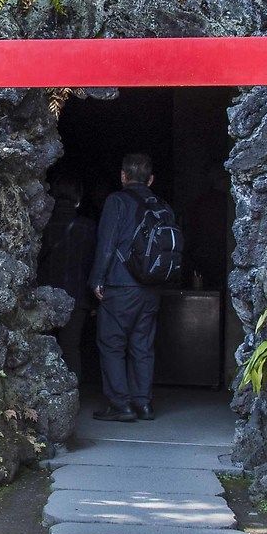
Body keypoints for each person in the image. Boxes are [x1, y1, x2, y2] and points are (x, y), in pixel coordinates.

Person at [89, 151, 163, 422]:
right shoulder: (162, 206)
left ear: (123, 176)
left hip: (120, 285)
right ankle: (143, 403)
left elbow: (106, 243)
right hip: (151, 287)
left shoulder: (116, 201)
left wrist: (97, 279)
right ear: (151, 179)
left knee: (111, 344)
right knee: (142, 346)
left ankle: (121, 404)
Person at [36, 175, 97, 383]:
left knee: (42, 345)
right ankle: (73, 396)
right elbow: (93, 264)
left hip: (44, 294)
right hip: (78, 296)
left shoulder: (43, 226)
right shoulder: (89, 227)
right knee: (71, 347)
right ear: (78, 200)